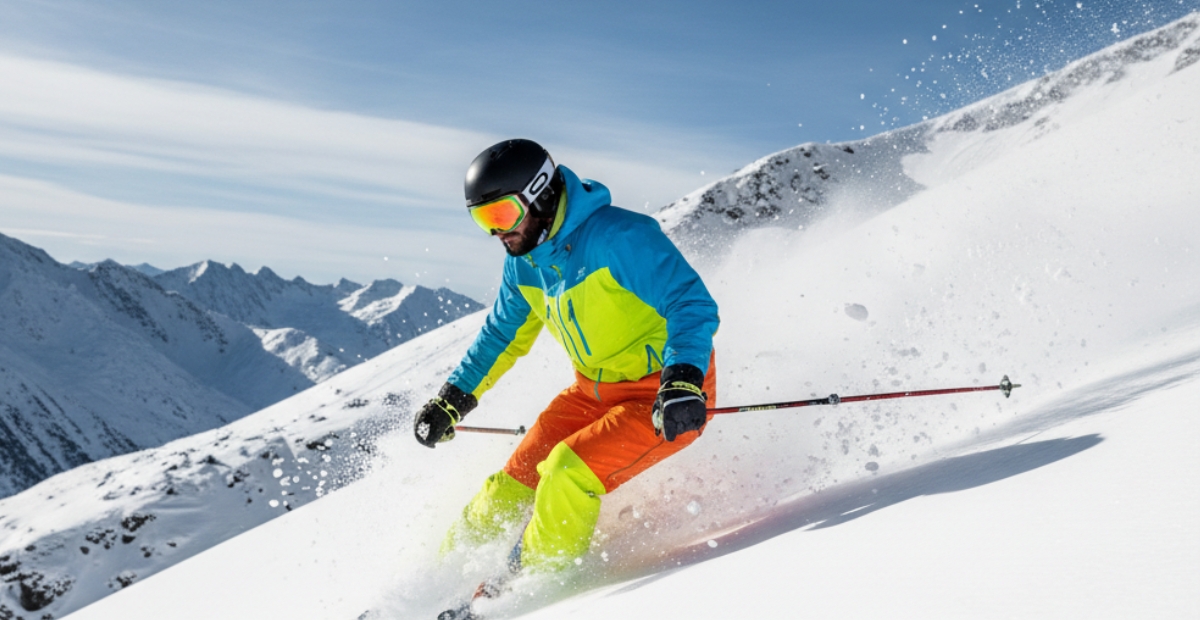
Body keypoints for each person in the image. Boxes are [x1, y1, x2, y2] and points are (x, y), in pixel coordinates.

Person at [413, 139, 719, 573]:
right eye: (483, 221)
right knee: (510, 485)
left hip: (665, 395)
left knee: (564, 471)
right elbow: (502, 334)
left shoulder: (619, 238)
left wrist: (684, 378)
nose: (498, 234)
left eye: (501, 215)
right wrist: (453, 397)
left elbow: (690, 304)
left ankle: (533, 587)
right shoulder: (525, 262)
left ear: (538, 194)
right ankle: (438, 576)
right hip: (592, 393)